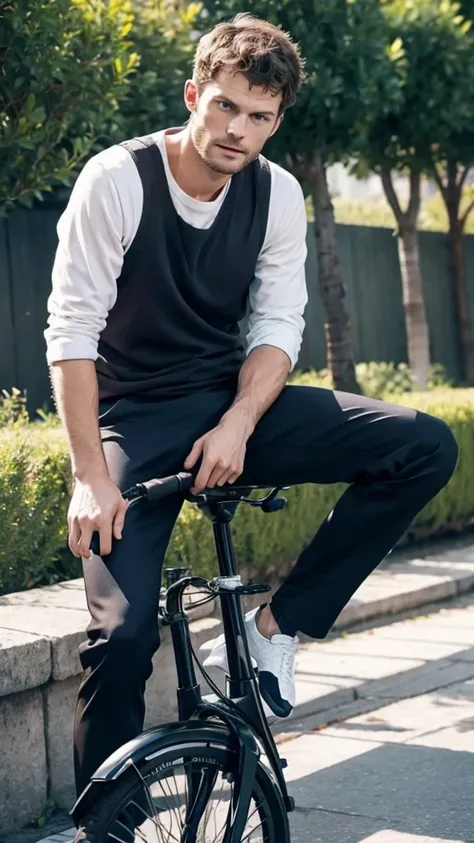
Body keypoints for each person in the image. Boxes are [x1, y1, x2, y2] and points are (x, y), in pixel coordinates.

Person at [45, 10, 458, 834]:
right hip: (132, 419)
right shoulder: (117, 180)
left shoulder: (277, 194)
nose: (239, 131)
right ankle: (106, 827)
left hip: (235, 405)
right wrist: (90, 476)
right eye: (226, 107)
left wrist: (238, 422)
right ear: (195, 94)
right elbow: (71, 332)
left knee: (421, 444)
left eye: (260, 117)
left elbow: (277, 329)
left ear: (277, 119)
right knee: (122, 637)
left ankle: (278, 628)